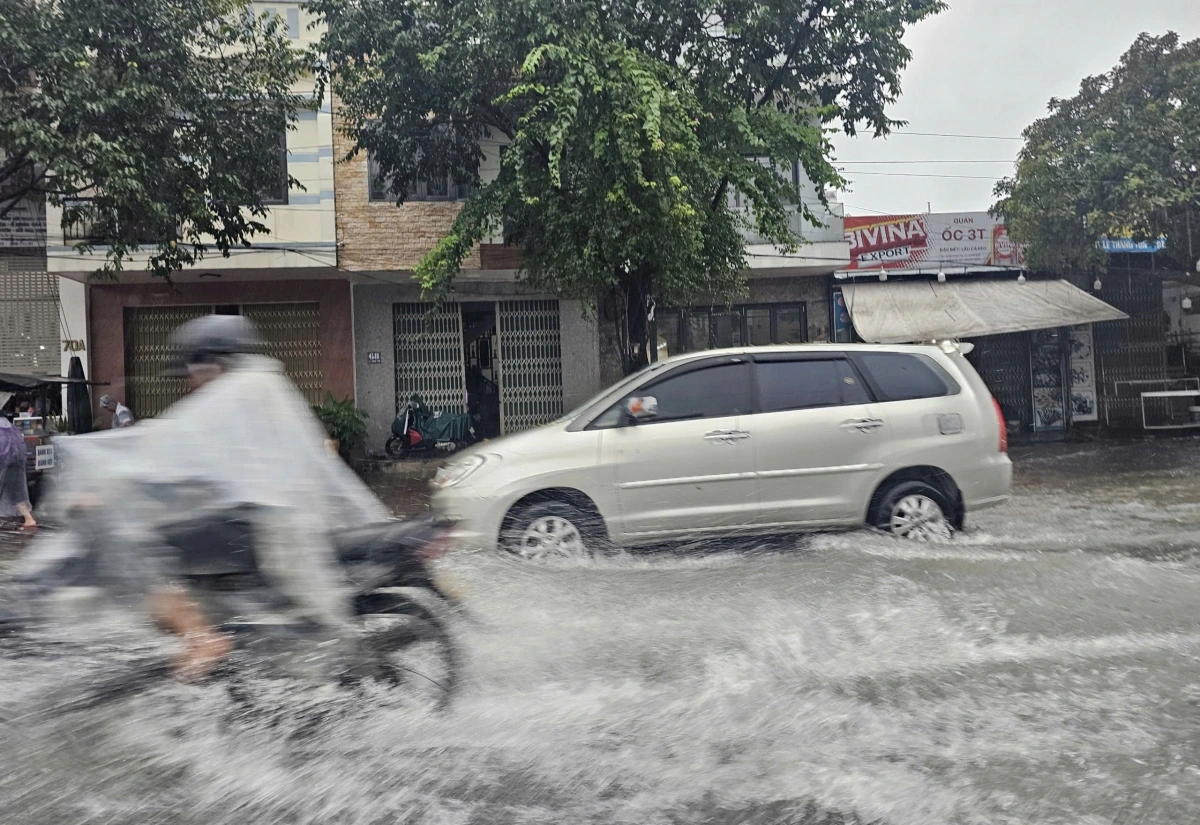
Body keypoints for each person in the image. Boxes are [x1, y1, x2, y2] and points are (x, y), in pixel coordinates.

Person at [112, 315, 389, 681]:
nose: (190, 383)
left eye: (193, 371)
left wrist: (119, 475)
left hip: (272, 527)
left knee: (150, 559)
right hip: (272, 521)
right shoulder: (258, 387)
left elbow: (173, 443)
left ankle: (205, 642)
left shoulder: (239, 391)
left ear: (215, 363)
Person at [0, 415, 37, 529]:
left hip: (4, 461)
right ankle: (29, 519)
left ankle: (29, 519)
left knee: (13, 491)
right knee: (16, 491)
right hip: (16, 460)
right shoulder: (9, 428)